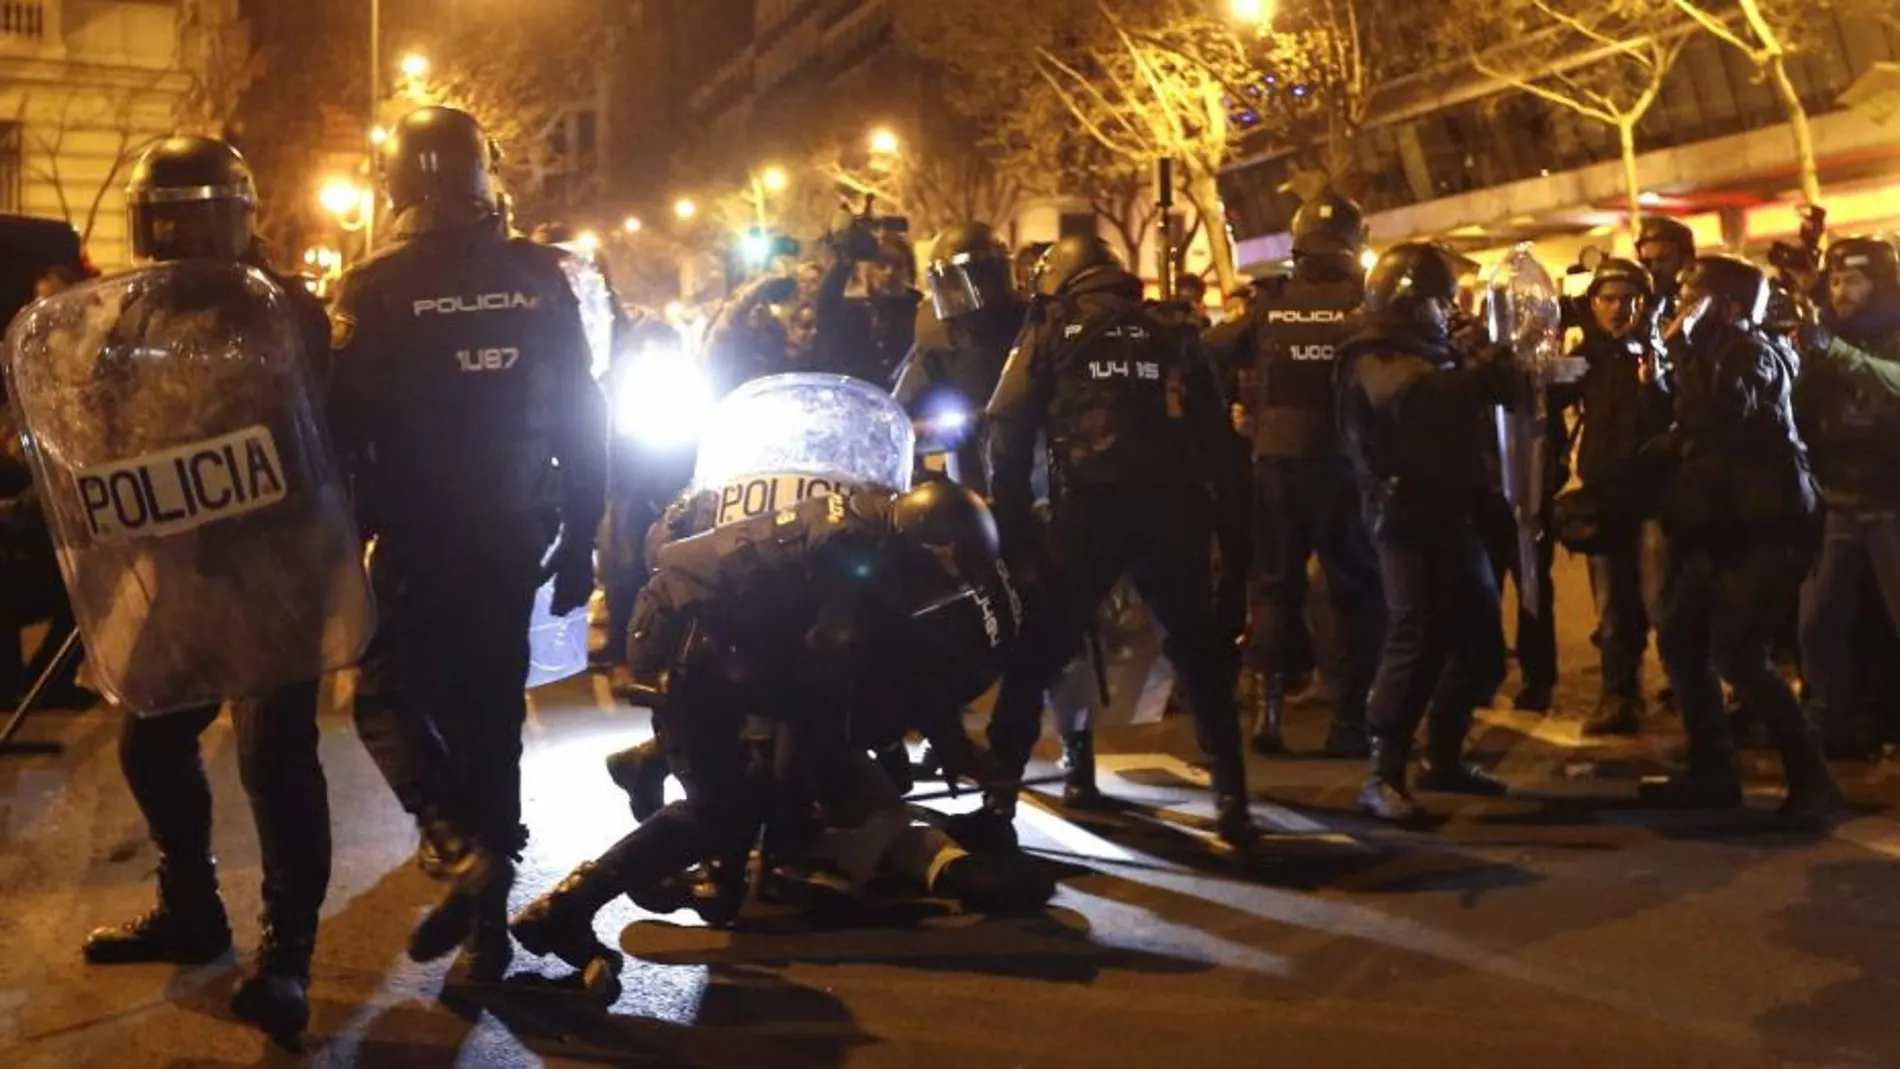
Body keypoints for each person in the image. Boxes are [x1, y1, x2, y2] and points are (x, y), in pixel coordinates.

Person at [508, 483, 1049, 998]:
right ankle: (563, 912)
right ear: (927, 550)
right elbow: (817, 705)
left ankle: (654, 784)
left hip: (726, 636)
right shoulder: (857, 570)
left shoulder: (876, 521)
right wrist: (809, 811)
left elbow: (886, 657)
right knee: (722, 810)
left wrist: (955, 748)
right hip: (686, 641)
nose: (940, 593)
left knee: (743, 813)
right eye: (944, 577)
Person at [329, 106, 607, 981]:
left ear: (398, 185)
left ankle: (451, 837)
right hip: (516, 532)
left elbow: (339, 429)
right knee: (493, 720)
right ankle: (486, 933)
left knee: (383, 697)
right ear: (486, 176)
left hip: (414, 536)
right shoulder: (543, 278)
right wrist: (584, 537)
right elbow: (584, 415)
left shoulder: (371, 286)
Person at [71, 136, 336, 1042]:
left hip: (272, 574)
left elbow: (314, 442)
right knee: (149, 740)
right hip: (180, 571)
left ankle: (288, 955)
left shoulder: (286, 313)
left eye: (191, 214)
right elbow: (104, 422)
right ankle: (191, 906)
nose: (176, 234)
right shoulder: (132, 321)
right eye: (163, 216)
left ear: (228, 217)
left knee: (275, 761)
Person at [972, 234, 1260, 849]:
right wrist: (1231, 528)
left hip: (1087, 513)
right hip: (1172, 510)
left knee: (1038, 651)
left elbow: (1006, 423)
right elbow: (1215, 435)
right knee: (1197, 651)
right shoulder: (1169, 325)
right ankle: (1232, 797)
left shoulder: (1051, 325)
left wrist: (1013, 524)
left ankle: (997, 800)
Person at [1645, 254, 1835, 824]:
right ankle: (1712, 770)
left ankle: (1812, 780)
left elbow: (1720, 420)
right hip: (1719, 526)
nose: (1677, 304)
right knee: (1680, 636)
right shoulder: (1707, 354)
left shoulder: (1753, 356)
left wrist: (1679, 352)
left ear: (1724, 305)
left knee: (1739, 654)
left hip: (1762, 531)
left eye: (1689, 294)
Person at [1337, 242, 1514, 822]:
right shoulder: (1374, 352)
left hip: (1453, 509)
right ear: (1412, 302)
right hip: (1406, 515)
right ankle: (1382, 773)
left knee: (1481, 638)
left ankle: (1443, 754)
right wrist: (1477, 370)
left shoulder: (1433, 349)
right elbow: (1414, 399)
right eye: (1440, 300)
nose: (1448, 311)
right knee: (1416, 638)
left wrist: (1499, 359)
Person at [1226, 193, 1384, 757]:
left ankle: (1267, 713)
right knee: (1355, 591)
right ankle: (1351, 720)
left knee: (1274, 586)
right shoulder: (1365, 302)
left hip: (1276, 462)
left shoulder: (1270, 303)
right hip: (1341, 464)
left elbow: (1212, 349)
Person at [1793, 236, 1900, 757]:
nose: (1841, 291)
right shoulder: (1825, 335)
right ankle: (1826, 725)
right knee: (1818, 623)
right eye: (1834, 280)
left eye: (1852, 280)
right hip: (1839, 498)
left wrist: (1834, 352)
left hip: (1891, 501)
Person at [1562, 258, 1673, 736]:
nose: (1617, 308)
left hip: (1654, 498)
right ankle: (1618, 697)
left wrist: (1658, 379)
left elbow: (1676, 413)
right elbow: (1546, 398)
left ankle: (1686, 695)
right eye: (1607, 299)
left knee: (1663, 604)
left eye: (1627, 299)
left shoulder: (1662, 350)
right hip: (1604, 498)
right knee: (1613, 610)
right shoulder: (1587, 353)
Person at [894, 222, 1031, 496]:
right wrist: (901, 428)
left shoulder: (1031, 323)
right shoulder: (939, 334)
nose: (960, 294)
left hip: (1031, 457)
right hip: (969, 460)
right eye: (952, 284)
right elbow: (902, 405)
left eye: (972, 281)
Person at [1636, 215, 1696, 335]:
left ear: (1687, 260)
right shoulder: (1638, 306)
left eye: (1663, 260)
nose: (1654, 269)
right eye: (1646, 262)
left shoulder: (1702, 306)